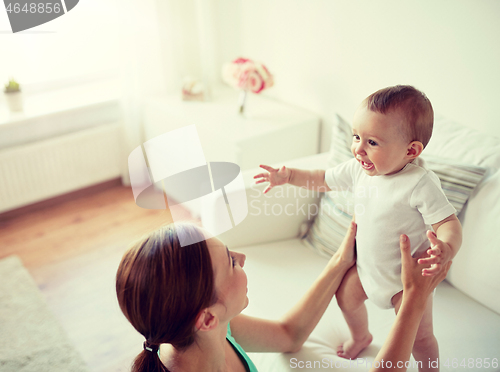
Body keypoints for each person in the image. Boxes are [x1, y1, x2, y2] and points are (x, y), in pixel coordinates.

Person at [254, 85, 462, 371]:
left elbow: (448, 223)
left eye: (372, 143)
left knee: (420, 338)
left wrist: (446, 248)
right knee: (345, 297)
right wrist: (289, 176)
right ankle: (361, 335)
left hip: (406, 283)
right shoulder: (358, 169)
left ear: (411, 150)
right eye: (356, 137)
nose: (359, 149)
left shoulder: (420, 184)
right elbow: (322, 179)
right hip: (367, 271)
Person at [116, 221, 450, 372]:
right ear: (206, 318)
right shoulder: (206, 332)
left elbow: (289, 335)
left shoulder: (209, 331)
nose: (243, 258)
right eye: (231, 262)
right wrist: (414, 298)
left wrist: (341, 260)